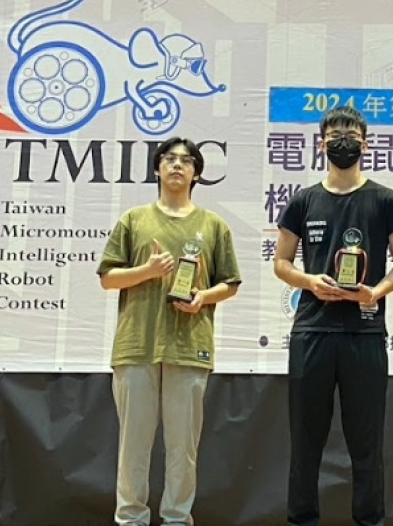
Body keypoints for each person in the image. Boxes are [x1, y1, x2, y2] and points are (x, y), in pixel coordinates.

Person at [273, 106, 393, 526]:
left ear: (365, 144)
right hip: (312, 331)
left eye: (351, 134)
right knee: (305, 441)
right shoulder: (303, 200)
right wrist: (308, 281)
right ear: (322, 144)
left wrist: (377, 291)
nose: (343, 140)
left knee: (367, 443)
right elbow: (281, 262)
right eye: (335, 135)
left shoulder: (384, 199)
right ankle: (301, 520)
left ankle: (370, 520)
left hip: (364, 332)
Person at [97, 136, 242, 526]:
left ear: (197, 173)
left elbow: (230, 283)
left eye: (186, 160)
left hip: (189, 345)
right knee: (133, 446)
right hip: (136, 346)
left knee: (183, 447)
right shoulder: (134, 220)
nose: (177, 165)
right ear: (157, 168)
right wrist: (147, 271)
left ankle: (177, 518)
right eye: (169, 159)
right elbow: (108, 278)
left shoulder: (213, 226)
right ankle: (131, 518)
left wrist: (202, 297)